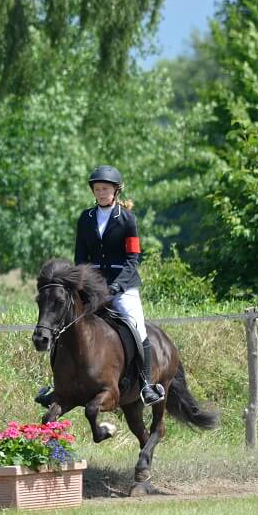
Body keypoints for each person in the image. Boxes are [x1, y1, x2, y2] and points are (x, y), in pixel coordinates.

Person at [37, 165, 165, 407]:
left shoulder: (127, 219)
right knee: (66, 324)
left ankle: (147, 384)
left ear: (116, 191)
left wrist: (117, 286)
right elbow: (80, 258)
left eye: (105, 189)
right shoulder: (86, 218)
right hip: (92, 285)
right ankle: (56, 384)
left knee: (136, 325)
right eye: (97, 189)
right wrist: (84, 285)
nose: (101, 193)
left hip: (123, 286)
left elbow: (132, 258)